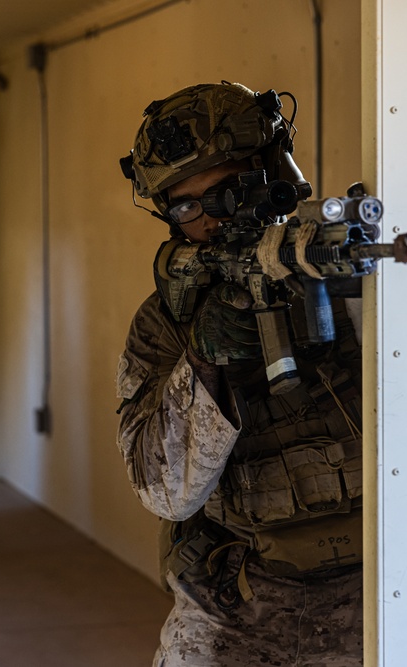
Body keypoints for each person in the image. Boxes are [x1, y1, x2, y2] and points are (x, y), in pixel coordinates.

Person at [115, 83, 363, 665]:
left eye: (229, 190)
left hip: (381, 588)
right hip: (235, 606)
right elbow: (165, 492)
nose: (212, 219)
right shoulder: (164, 323)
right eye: (186, 205)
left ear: (275, 170)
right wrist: (203, 359)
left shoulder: (353, 277)